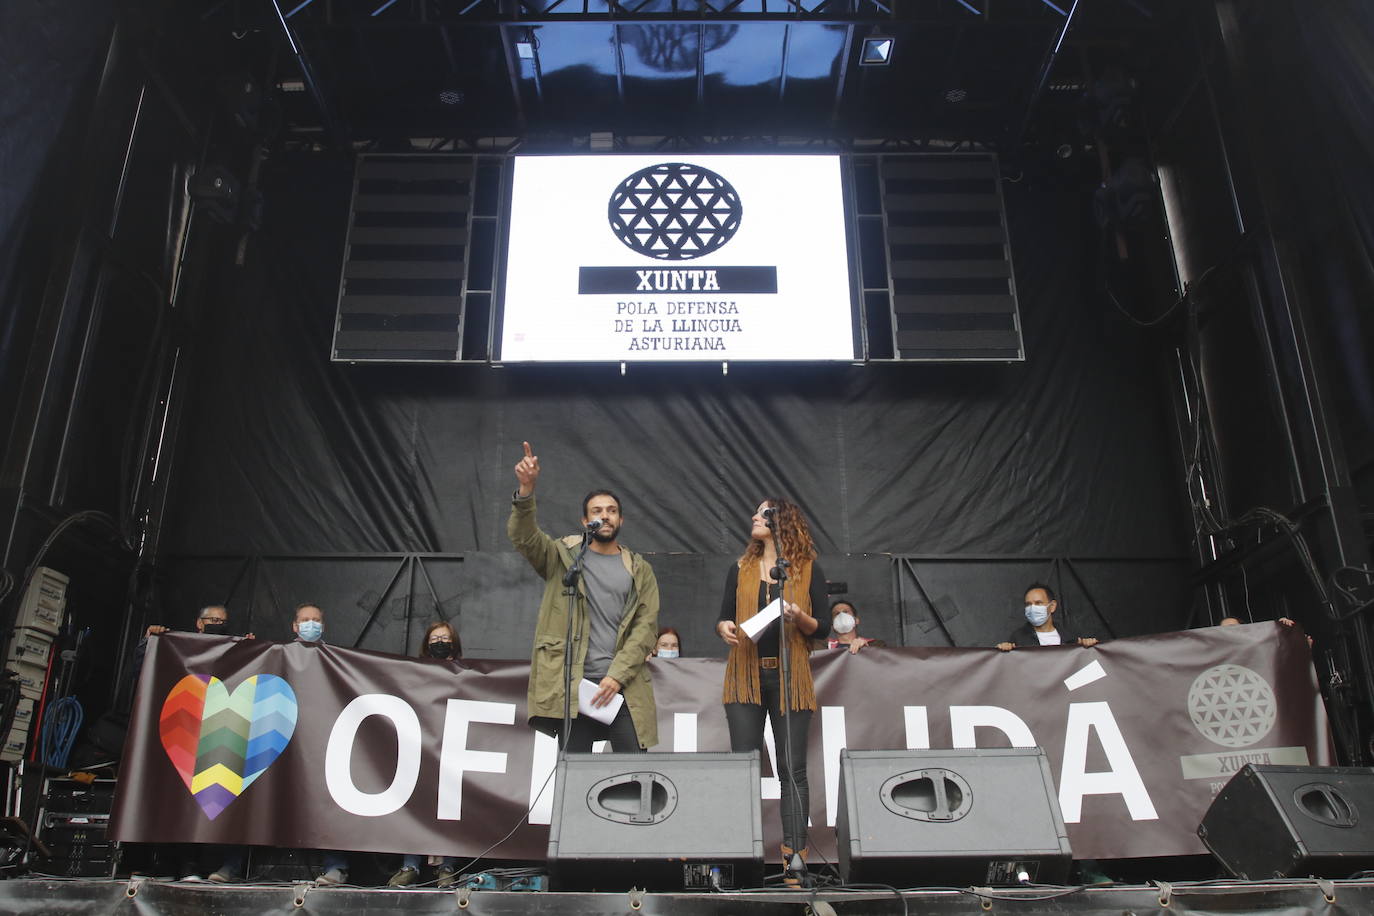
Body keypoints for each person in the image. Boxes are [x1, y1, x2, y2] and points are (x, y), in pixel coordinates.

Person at [507, 441, 660, 752]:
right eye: (597, 511)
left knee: (635, 773)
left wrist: (615, 677)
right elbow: (524, 537)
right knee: (575, 779)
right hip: (572, 688)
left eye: (612, 511)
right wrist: (526, 489)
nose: (605, 516)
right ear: (584, 520)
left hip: (622, 687)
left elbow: (645, 630)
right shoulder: (562, 557)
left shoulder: (639, 569)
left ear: (621, 520)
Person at [716, 498, 830, 885]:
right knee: (743, 767)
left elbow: (824, 628)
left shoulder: (808, 568)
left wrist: (800, 616)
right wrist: (723, 628)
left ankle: (794, 860)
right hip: (745, 675)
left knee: (792, 769)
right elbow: (723, 616)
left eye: (763, 513)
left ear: (782, 522)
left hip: (790, 675)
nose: (754, 517)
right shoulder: (740, 567)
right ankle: (739, 858)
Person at [388, 621, 464, 888]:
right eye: (435, 638)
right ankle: (410, 865)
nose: (440, 642)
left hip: (452, 748)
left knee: (450, 806)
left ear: (454, 641)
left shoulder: (467, 673)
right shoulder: (415, 671)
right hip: (419, 746)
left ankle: (447, 867)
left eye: (445, 637)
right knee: (416, 804)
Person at [288, 603, 352, 885]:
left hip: (322, 740)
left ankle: (336, 867)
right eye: (305, 620)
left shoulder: (335, 659)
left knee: (328, 802)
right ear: (294, 626)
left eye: (315, 620)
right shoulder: (278, 655)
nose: (310, 624)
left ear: (323, 626)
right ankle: (232, 864)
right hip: (284, 736)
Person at [996, 584, 1099, 651]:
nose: (1032, 608)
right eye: (1028, 604)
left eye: (1038, 603)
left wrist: (1089, 646)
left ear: (1052, 606)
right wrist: (1003, 650)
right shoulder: (1018, 639)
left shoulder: (1070, 638)